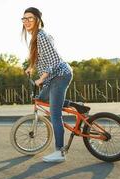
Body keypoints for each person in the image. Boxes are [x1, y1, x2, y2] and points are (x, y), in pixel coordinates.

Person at [22, 7, 85, 162]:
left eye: (30, 18)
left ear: (37, 19)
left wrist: (41, 78)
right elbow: (39, 58)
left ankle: (60, 152)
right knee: (43, 99)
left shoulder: (41, 35)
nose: (27, 21)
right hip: (53, 77)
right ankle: (76, 105)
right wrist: (31, 67)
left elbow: (54, 61)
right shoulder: (35, 37)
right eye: (24, 19)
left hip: (60, 75)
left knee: (55, 115)